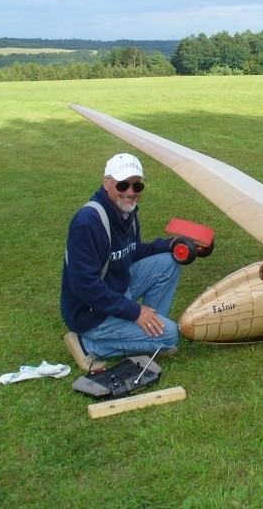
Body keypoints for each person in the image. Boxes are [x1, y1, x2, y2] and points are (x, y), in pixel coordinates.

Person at [61, 153, 182, 371]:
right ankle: (86, 345)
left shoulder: (126, 213)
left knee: (168, 261)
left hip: (115, 291)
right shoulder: (87, 222)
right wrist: (135, 312)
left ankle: (152, 331)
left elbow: (132, 252)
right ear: (106, 182)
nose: (131, 192)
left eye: (137, 186)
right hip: (89, 312)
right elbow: (85, 286)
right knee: (171, 336)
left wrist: (171, 244)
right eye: (123, 184)